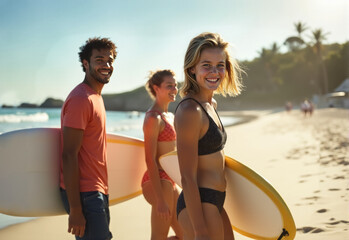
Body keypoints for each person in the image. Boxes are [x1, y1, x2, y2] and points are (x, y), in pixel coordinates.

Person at [174, 32, 243, 240]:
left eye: (220, 65)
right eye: (206, 65)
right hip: (198, 204)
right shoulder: (189, 111)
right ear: (192, 68)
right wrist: (199, 230)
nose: (214, 72)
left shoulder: (211, 105)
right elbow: (187, 177)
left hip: (215, 200)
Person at [60, 37, 117, 239]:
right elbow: (68, 155)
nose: (107, 65)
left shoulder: (95, 97)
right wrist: (75, 209)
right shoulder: (81, 99)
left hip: (97, 189)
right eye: (99, 60)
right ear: (86, 64)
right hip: (86, 194)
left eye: (110, 61)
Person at [141, 70, 183, 240]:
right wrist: (159, 199)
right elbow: (149, 159)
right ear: (156, 88)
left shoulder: (170, 116)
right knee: (159, 235)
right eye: (169, 86)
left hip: (171, 180)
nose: (174, 89)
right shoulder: (153, 118)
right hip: (158, 180)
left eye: (175, 85)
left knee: (187, 234)